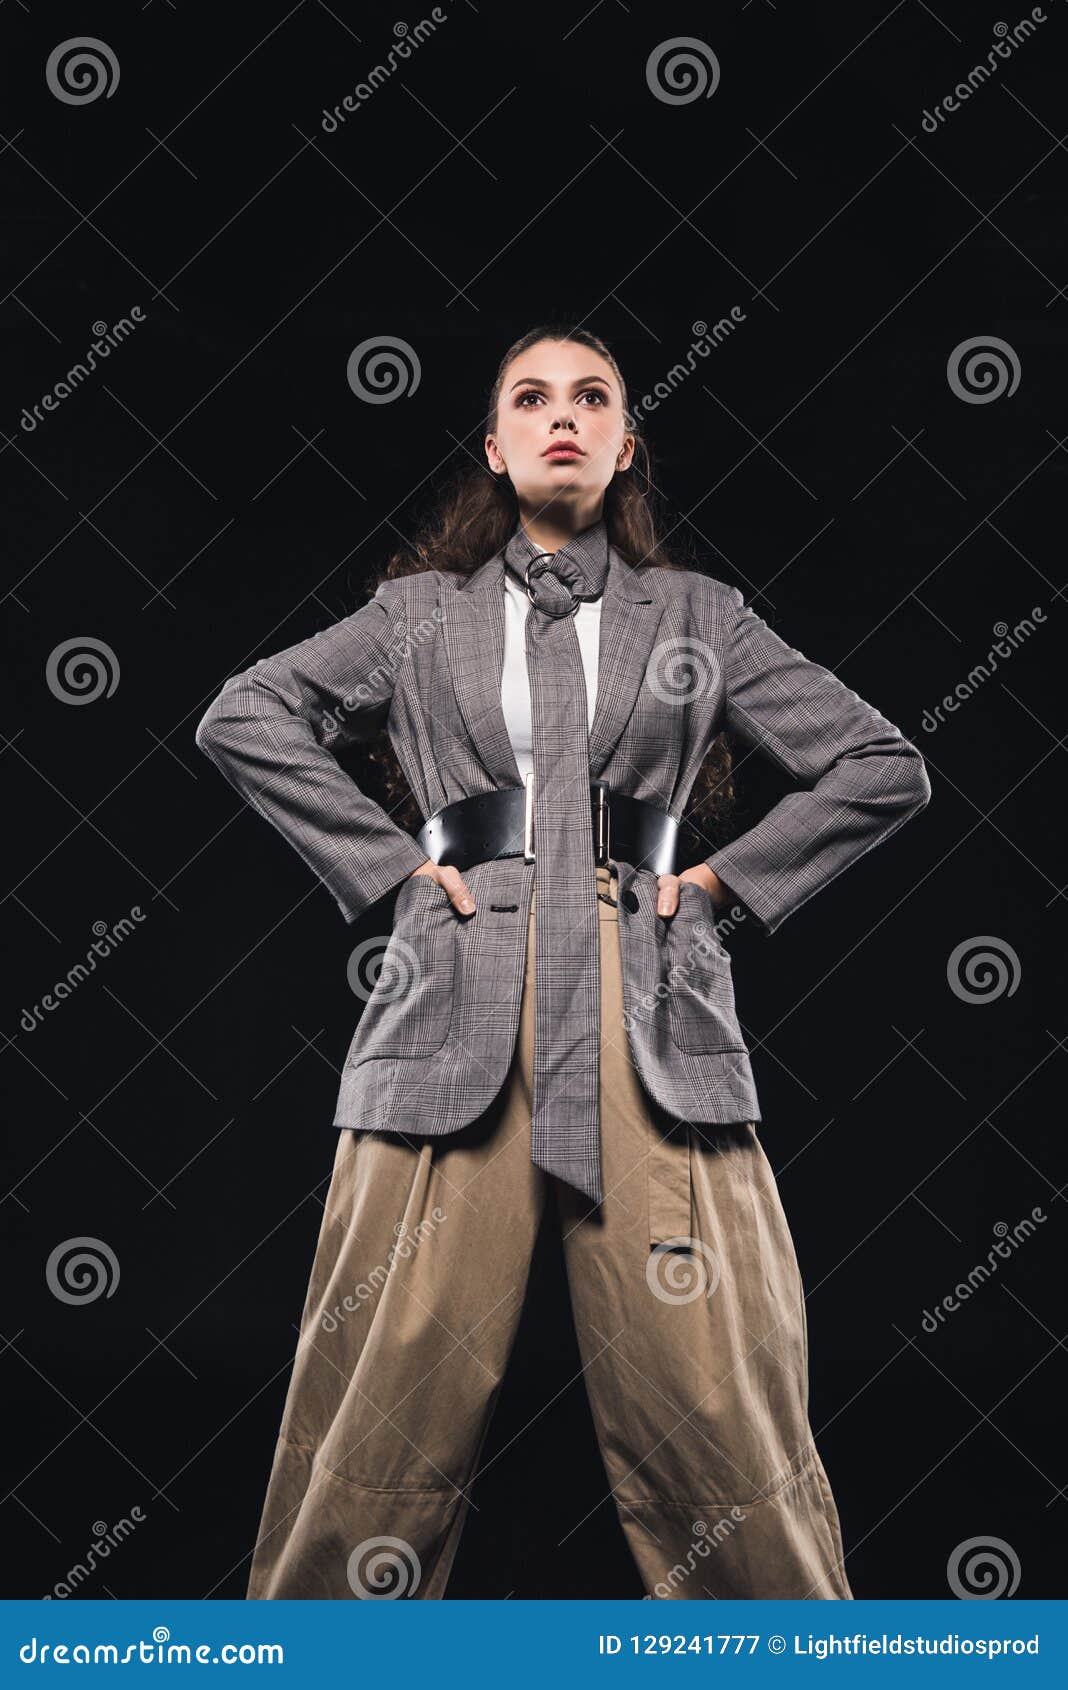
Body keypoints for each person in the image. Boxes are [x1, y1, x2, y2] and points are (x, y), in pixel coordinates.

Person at [195, 324, 930, 1601]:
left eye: (593, 397)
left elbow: (882, 765)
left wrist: (718, 885)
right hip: (453, 996)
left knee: (716, 1395)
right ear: (494, 445)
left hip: (648, 1001)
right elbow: (244, 713)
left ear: (625, 444)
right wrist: (389, 871)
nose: (563, 416)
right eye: (532, 398)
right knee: (384, 1388)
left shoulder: (698, 616)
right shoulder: (418, 617)